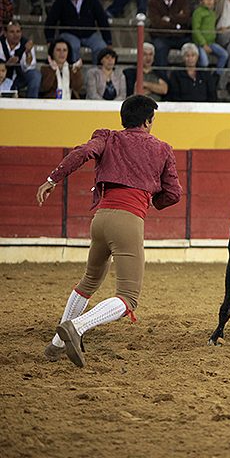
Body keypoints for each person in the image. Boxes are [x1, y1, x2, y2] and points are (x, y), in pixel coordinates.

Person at [38, 95, 182, 367]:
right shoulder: (162, 149)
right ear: (147, 121)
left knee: (89, 281)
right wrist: (152, 200)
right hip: (128, 221)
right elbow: (174, 194)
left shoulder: (107, 137)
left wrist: (52, 179)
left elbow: (82, 153)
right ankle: (76, 327)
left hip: (101, 219)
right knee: (128, 297)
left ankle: (55, 346)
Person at [44, 0, 111, 65]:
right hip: (69, 33)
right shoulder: (61, 1)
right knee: (73, 46)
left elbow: (102, 20)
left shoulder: (92, 0)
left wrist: (108, 41)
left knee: (101, 47)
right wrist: (49, 40)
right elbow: (51, 20)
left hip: (89, 34)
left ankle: (96, 72)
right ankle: (74, 71)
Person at [148, 0, 192, 72]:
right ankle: (162, 78)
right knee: (160, 49)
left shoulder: (182, 0)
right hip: (161, 36)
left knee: (192, 49)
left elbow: (186, 18)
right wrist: (177, 25)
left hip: (180, 37)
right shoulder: (153, 1)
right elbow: (156, 23)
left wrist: (169, 19)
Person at [193, 0, 229, 76]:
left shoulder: (212, 13)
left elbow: (210, 27)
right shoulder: (198, 13)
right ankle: (202, 79)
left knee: (224, 55)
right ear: (201, 1)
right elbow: (196, 30)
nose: (209, 1)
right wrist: (203, 44)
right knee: (204, 62)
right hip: (200, 44)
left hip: (211, 43)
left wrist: (218, 30)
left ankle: (216, 76)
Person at [1, 21, 40, 99]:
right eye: (12, 32)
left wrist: (28, 53)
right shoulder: (0, 43)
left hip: (19, 77)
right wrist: (6, 65)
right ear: (5, 33)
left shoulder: (27, 44)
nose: (16, 35)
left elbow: (29, 67)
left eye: (18, 31)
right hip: (2, 77)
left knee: (35, 75)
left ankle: (31, 102)